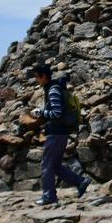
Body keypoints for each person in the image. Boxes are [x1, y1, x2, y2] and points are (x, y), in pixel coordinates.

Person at [28, 63, 90, 206]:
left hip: (56, 133)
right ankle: (81, 182)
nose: (36, 80)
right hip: (61, 133)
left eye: (37, 77)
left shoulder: (52, 90)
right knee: (55, 165)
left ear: (44, 76)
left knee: (47, 164)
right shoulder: (54, 88)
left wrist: (40, 113)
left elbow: (56, 113)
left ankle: (49, 196)